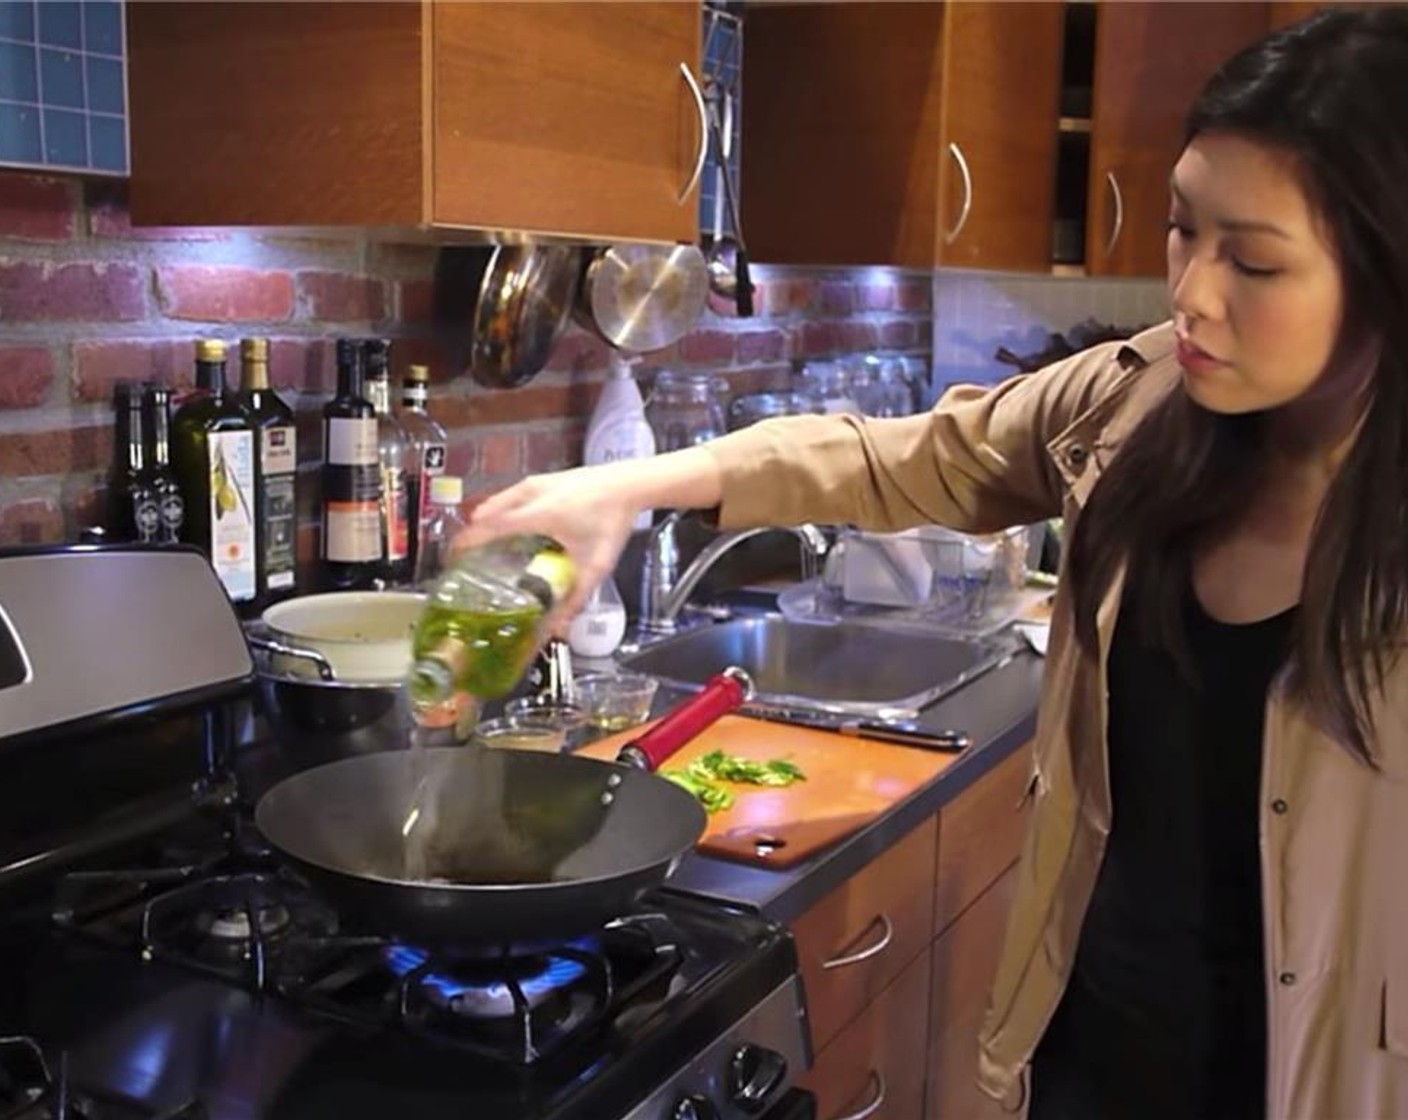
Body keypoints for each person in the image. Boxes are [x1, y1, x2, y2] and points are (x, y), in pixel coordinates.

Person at [459, 8, 1408, 1118]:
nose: (1192, 291)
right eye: (1181, 229)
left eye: (1252, 259)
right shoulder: (1132, 401)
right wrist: (621, 485)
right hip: (1089, 1056)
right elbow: (891, 459)